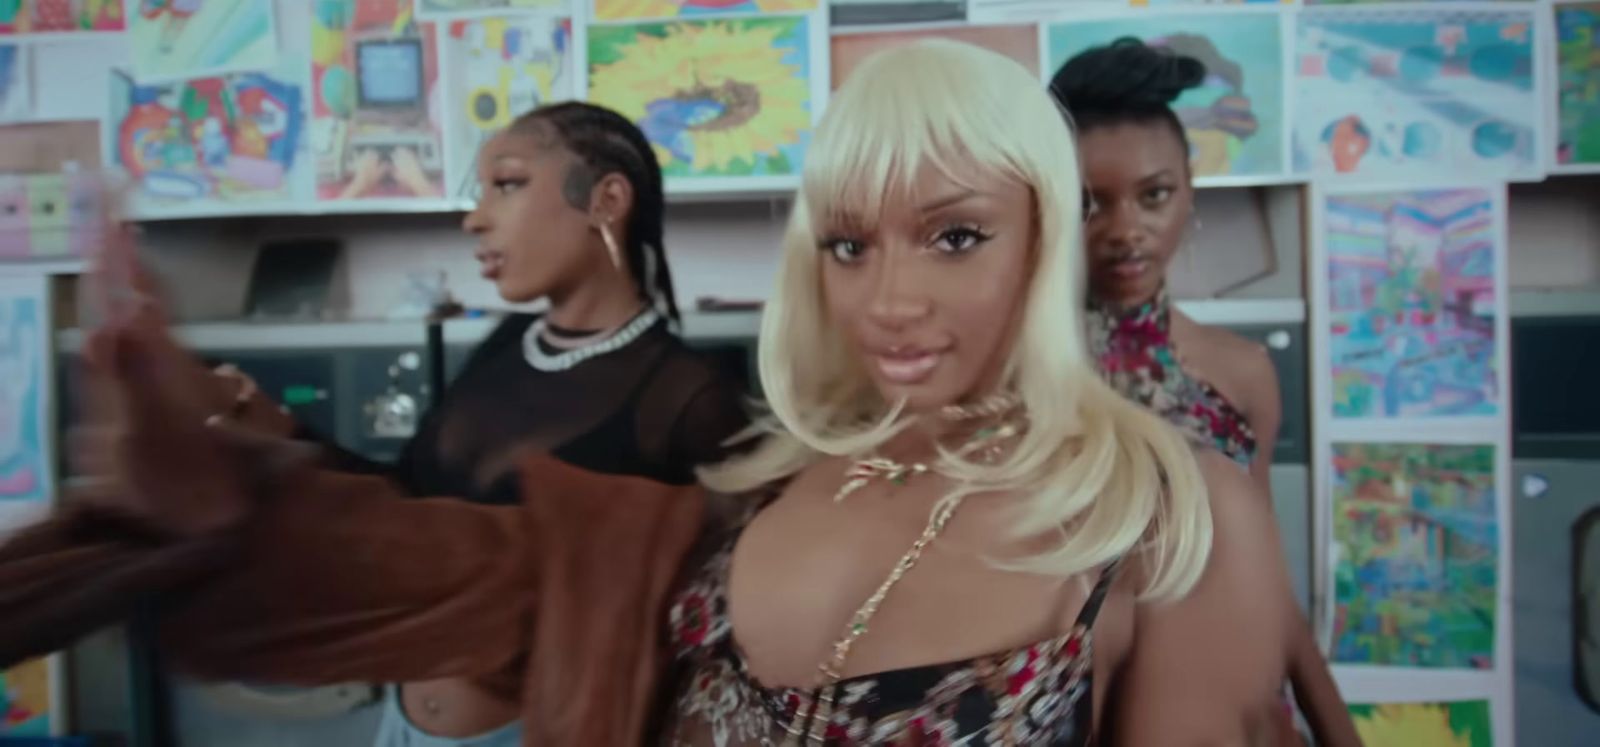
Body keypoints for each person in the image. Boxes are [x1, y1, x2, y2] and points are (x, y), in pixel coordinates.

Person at [2, 40, 1297, 745]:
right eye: (849, 244)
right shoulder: (770, 475)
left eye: (954, 235)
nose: (891, 297)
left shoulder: (1175, 516)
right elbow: (499, 565)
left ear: (1043, 238)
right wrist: (234, 489)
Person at [108, 101, 751, 747]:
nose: (475, 218)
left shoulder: (685, 396)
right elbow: (408, 503)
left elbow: (724, 621)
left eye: (508, 184)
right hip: (404, 725)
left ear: (606, 199)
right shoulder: (507, 344)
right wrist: (275, 426)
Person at [1050, 38, 1358, 747]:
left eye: (1154, 195)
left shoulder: (1242, 372)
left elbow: (1266, 583)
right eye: (1091, 203)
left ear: (1189, 192)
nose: (1126, 231)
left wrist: (1335, 730)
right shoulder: (1023, 380)